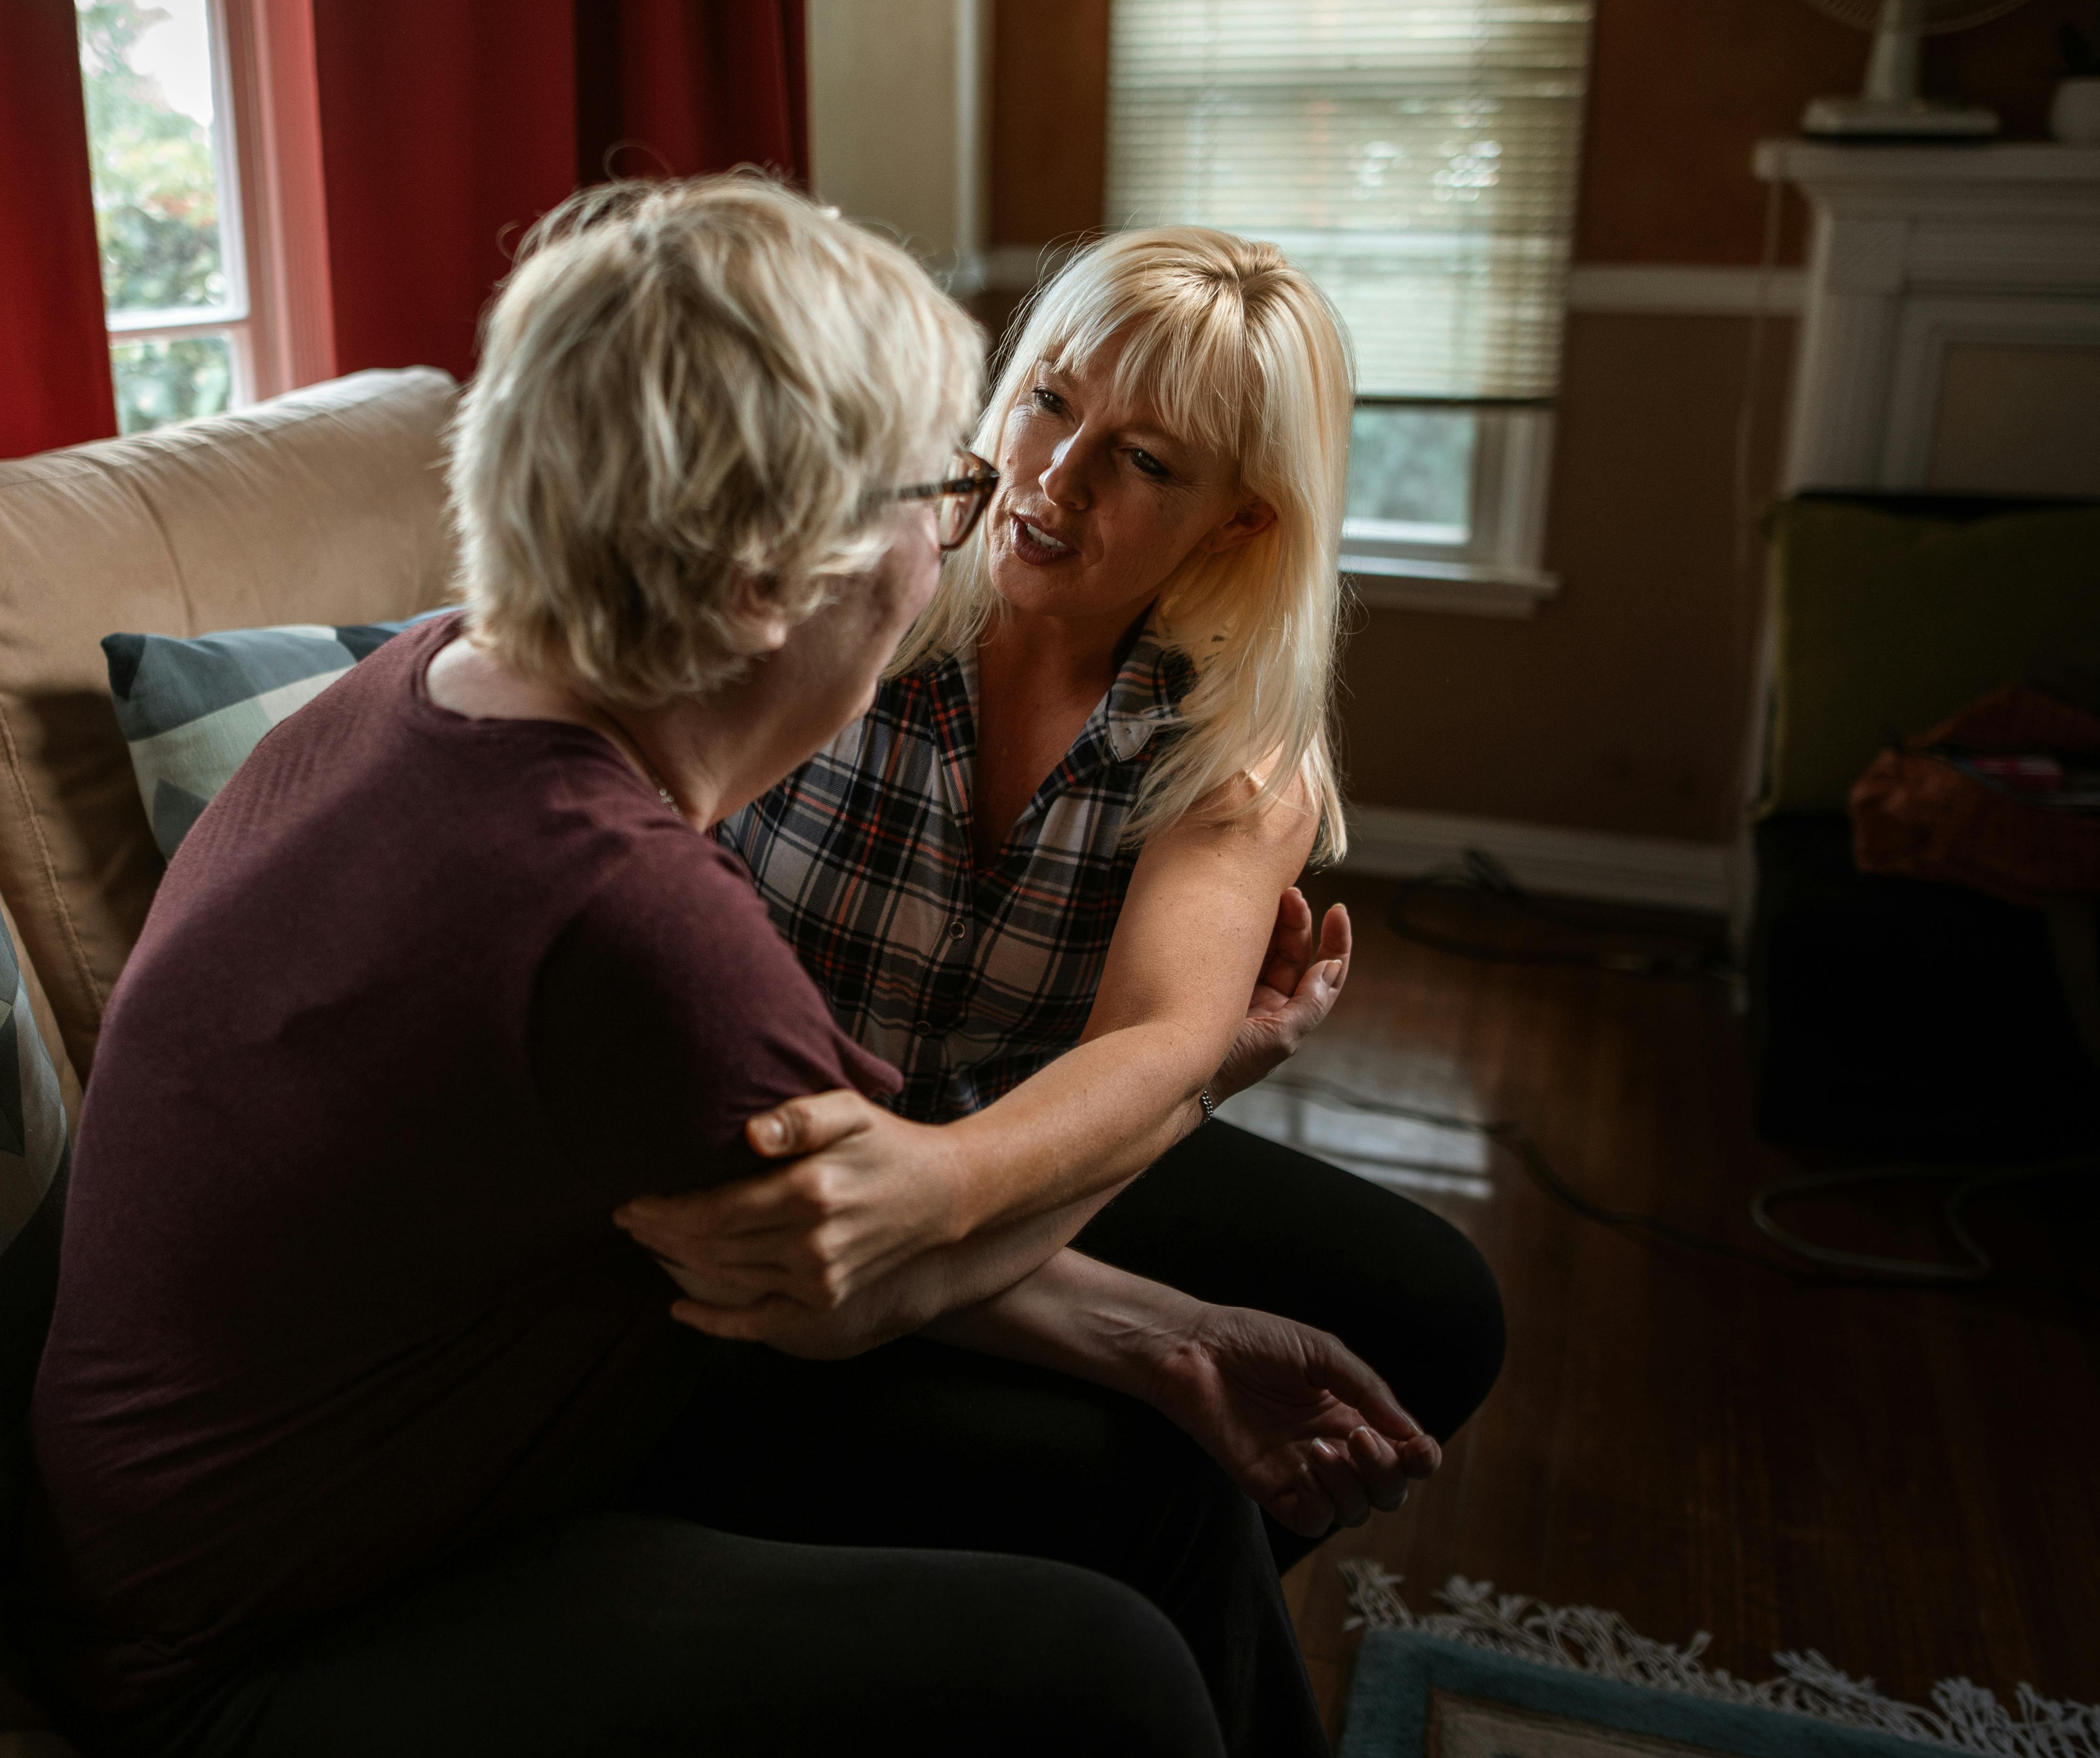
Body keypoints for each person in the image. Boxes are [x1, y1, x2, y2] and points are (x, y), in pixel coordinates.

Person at [20, 178, 1436, 1758]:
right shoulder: (634, 917)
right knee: (1097, 1673)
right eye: (939, 487)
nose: (981, 511)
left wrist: (1169, 1331)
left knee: (1159, 1495)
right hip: (276, 1646)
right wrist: (1188, 1162)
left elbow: (831, 1230)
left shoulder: (422, 686)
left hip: (383, 1486)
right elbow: (865, 1280)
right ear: (777, 579)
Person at [623, 227, 1507, 1572]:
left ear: (1240, 518)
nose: (1053, 475)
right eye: (1047, 398)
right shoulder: (846, 580)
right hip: (741, 1118)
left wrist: (950, 1183)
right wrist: (1193, 1089)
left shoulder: (1227, 743)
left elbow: (1149, 1044)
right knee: (1164, 1486)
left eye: (1143, 461)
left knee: (1433, 1309)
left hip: (997, 1131)